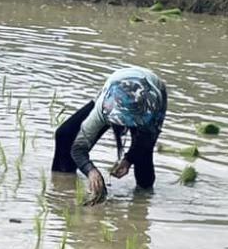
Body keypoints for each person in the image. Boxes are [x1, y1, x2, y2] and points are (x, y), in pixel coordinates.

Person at [52, 66, 169, 202]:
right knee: (65, 135)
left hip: (153, 92)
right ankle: (62, 186)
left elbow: (145, 143)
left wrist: (128, 160)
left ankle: (143, 199)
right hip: (116, 86)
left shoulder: (152, 110)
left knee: (143, 155)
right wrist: (91, 171)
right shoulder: (105, 107)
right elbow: (78, 148)